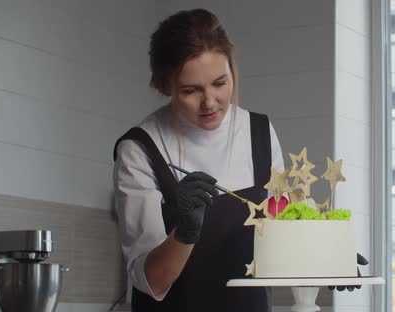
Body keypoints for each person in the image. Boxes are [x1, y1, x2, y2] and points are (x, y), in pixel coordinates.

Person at [112, 9, 284, 311]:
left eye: (220, 83)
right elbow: (150, 279)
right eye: (191, 90)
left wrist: (329, 260)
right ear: (165, 87)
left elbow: (280, 236)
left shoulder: (259, 132)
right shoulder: (141, 148)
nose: (210, 102)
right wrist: (185, 232)